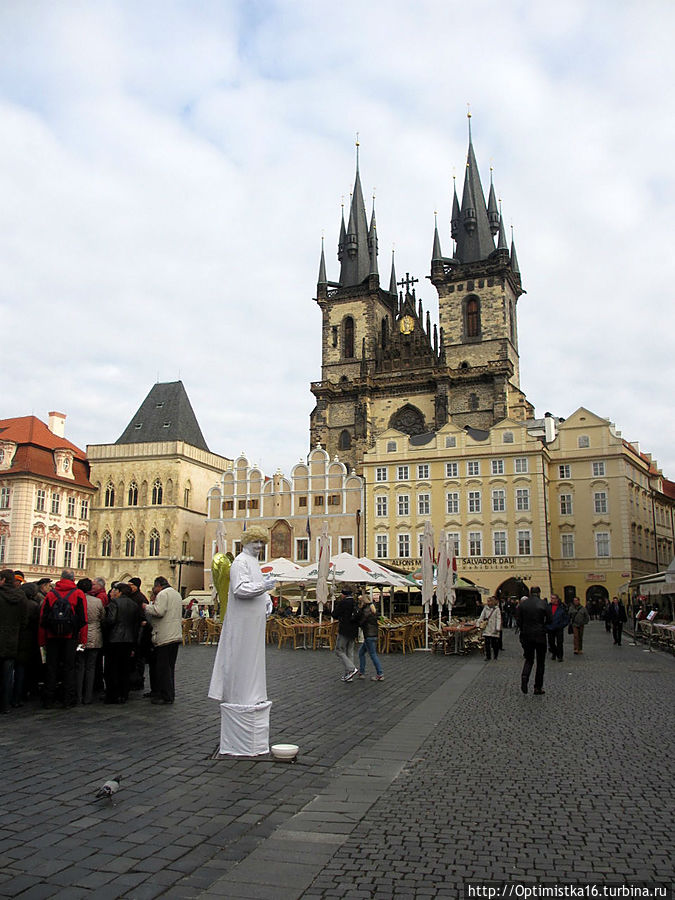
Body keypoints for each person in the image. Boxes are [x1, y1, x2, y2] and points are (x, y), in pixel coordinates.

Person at [208, 526, 275, 705]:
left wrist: (266, 599)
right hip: (243, 622)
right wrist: (264, 587)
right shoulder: (240, 562)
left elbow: (255, 583)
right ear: (246, 542)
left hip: (254, 622)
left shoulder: (253, 562)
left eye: (262, 542)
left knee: (254, 658)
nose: (259, 546)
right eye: (256, 542)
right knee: (243, 658)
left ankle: (254, 694)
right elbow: (240, 589)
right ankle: (242, 695)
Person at [38, 569, 88, 708]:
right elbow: (83, 619)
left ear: (60, 579)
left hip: (52, 636)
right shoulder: (78, 594)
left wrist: (42, 640)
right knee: (69, 668)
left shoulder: (51, 594)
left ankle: (48, 699)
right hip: (70, 636)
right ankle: (67, 699)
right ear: (73, 579)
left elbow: (42, 619)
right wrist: (83, 640)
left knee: (51, 667)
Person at [143, 576, 183, 705]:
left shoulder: (162, 594)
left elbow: (159, 611)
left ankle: (166, 696)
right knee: (170, 667)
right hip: (175, 635)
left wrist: (146, 607)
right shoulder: (176, 594)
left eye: (154, 587)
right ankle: (169, 693)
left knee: (163, 668)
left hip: (165, 635)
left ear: (159, 586)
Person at [103, 582, 141, 704]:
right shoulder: (134, 605)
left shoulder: (115, 603)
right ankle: (124, 694)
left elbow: (111, 620)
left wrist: (103, 622)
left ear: (119, 592)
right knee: (124, 668)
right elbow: (136, 625)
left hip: (115, 639)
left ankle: (112, 695)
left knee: (112, 668)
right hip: (129, 639)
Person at [515, 587, 551, 695]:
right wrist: (543, 627)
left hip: (527, 635)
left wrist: (523, 628)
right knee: (540, 662)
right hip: (540, 635)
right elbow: (550, 619)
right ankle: (537, 687)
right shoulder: (543, 603)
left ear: (530, 593)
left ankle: (524, 677)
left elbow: (518, 620)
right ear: (539, 593)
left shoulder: (523, 605)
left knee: (529, 659)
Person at [75, 578, 105, 705]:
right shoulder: (97, 601)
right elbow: (102, 617)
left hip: (80, 637)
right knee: (91, 667)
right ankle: (88, 696)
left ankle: (78, 695)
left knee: (79, 666)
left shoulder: (76, 599)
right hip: (94, 636)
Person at [0, 569, 26, 714]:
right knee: (8, 674)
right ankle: (5, 705)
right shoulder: (21, 597)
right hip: (12, 639)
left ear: (3, 580)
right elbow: (24, 620)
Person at [330, 587, 360, 682]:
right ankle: (349, 675)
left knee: (339, 650)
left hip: (344, 629)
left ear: (344, 594)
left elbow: (334, 614)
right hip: (354, 630)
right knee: (350, 652)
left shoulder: (343, 603)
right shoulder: (355, 602)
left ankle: (351, 669)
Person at [357, 595, 384, 681]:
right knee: (361, 652)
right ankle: (361, 672)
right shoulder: (373, 608)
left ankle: (380, 673)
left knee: (373, 654)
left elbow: (361, 621)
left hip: (368, 635)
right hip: (374, 634)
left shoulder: (366, 610)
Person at [477, 596, 502, 661]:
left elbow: (498, 618)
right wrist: (478, 623)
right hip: (487, 628)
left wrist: (498, 627)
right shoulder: (485, 608)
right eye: (488, 601)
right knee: (487, 643)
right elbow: (482, 616)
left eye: (489, 601)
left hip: (494, 628)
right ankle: (488, 656)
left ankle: (495, 655)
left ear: (493, 602)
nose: (488, 603)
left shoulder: (497, 609)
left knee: (494, 643)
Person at [546, 593, 569, 662]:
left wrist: (562, 625)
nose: (551, 600)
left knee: (560, 642)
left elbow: (566, 618)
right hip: (550, 627)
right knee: (551, 642)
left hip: (559, 627)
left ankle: (560, 656)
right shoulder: (548, 607)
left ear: (557, 599)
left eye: (553, 598)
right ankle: (554, 652)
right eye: (551, 598)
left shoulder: (562, 607)